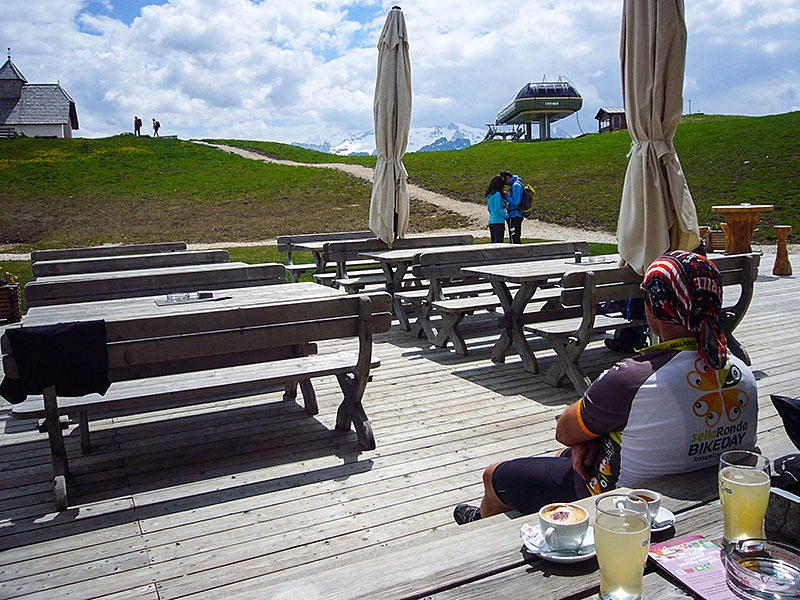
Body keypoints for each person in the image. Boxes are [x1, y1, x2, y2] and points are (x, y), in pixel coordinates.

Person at [453, 250, 758, 524]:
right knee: (564, 457)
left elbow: (565, 430)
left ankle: (480, 523)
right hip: (706, 492)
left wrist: (590, 435)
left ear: (655, 307)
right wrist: (598, 436)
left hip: (619, 506)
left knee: (494, 476)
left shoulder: (634, 378)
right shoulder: (741, 370)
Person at [501, 170, 524, 243]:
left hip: (515, 215)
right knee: (514, 236)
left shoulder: (516, 185)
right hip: (515, 214)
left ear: (508, 177)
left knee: (514, 238)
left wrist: (506, 196)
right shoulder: (516, 184)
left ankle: (517, 253)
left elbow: (516, 201)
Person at [486, 175, 508, 243]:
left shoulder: (490, 194)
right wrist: (507, 215)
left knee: (493, 242)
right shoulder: (497, 194)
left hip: (491, 220)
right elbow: (498, 209)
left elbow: (489, 208)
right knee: (499, 242)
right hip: (498, 221)